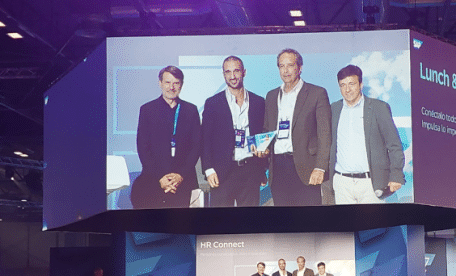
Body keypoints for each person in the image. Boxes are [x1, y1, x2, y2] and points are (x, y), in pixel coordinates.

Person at [257, 48, 331, 206]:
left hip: (307, 168)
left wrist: (320, 168)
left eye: (290, 65)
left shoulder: (316, 93)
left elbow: (325, 135)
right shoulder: (271, 96)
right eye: (281, 66)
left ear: (300, 68)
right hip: (278, 169)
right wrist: (262, 147)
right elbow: (267, 130)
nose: (285, 70)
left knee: (310, 218)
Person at [328, 65, 405, 204]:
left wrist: (396, 175)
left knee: (372, 219)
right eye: (343, 85)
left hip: (371, 184)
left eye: (351, 84)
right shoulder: (334, 109)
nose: (347, 89)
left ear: (361, 85)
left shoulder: (378, 108)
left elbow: (394, 144)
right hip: (341, 183)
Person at [202, 56, 267, 207]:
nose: (232, 76)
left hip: (250, 171)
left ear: (244, 72)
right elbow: (205, 140)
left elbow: (263, 134)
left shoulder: (259, 102)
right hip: (222, 172)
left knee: (250, 220)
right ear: (223, 74)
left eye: (236, 71)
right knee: (222, 220)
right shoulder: (213, 103)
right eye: (228, 72)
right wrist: (208, 170)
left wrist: (262, 168)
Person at [133, 65, 201, 209]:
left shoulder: (191, 110)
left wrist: (180, 176)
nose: (171, 87)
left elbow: (196, 147)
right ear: (160, 83)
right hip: (154, 180)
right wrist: (161, 177)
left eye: (176, 83)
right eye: (167, 82)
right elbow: (143, 147)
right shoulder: (147, 110)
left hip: (183, 181)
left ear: (181, 85)